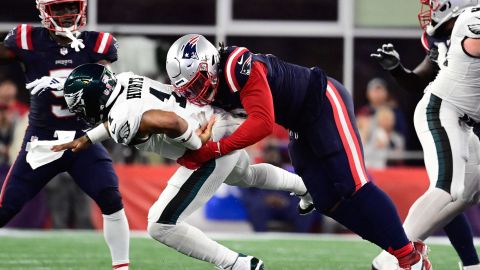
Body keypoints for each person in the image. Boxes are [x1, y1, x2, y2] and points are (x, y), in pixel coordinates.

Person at [164, 34, 431, 269]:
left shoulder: (238, 66)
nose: (198, 95)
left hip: (323, 100)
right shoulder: (215, 93)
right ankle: (402, 250)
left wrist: (214, 149)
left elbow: (262, 123)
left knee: (354, 184)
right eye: (190, 91)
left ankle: (409, 259)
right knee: (325, 199)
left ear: (210, 64)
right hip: (299, 122)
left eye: (198, 85)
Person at [52, 63, 312, 270]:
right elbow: (123, 116)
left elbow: (170, 121)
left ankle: (238, 264)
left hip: (206, 136)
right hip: (220, 120)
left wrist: (195, 141)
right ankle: (307, 188)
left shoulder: (122, 117)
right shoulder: (124, 81)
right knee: (245, 175)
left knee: (160, 224)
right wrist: (88, 138)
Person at [0, 1, 130, 269]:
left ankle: (122, 267)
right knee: (5, 206)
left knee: (111, 197)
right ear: (44, 11)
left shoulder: (97, 44)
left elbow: (103, 85)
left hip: (83, 139)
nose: (66, 14)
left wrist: (65, 82)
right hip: (42, 142)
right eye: (58, 8)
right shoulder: (27, 40)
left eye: (71, 6)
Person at [370, 1, 480, 269]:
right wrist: (398, 70)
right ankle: (394, 256)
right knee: (446, 188)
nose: (431, 8)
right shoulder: (470, 20)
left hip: (461, 119)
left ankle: (464, 261)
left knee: (470, 191)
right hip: (443, 111)